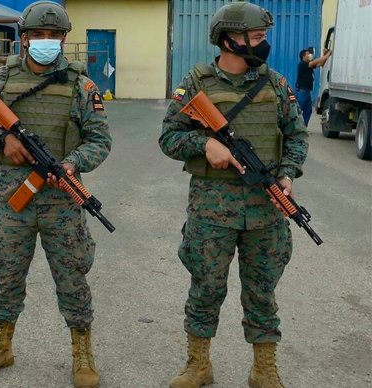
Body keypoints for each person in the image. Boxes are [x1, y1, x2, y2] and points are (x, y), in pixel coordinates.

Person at [158, 3, 308, 388]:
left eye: (262, 38)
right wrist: (204, 144)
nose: (264, 45)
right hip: (212, 210)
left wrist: (288, 175)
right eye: (257, 38)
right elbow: (168, 137)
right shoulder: (196, 84)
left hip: (265, 211)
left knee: (262, 292)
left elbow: (296, 136)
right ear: (229, 39)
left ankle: (263, 369)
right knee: (206, 287)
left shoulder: (275, 83)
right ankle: (198, 365)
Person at [0, 2, 111, 387]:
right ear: (24, 38)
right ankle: (1, 345)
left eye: (55, 36)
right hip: (13, 199)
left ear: (64, 39)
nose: (46, 42)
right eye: (39, 36)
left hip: (62, 202)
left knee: (72, 277)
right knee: (8, 274)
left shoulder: (82, 86)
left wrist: (73, 163)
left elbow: (100, 140)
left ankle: (82, 352)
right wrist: (2, 142)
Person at [295, 47, 331, 126]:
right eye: (308, 54)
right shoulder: (303, 64)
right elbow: (316, 62)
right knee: (298, 111)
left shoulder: (309, 65)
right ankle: (295, 129)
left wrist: (325, 55)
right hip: (302, 91)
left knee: (308, 110)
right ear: (303, 56)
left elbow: (321, 63)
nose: (310, 55)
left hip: (307, 92)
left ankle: (303, 127)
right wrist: (328, 54)